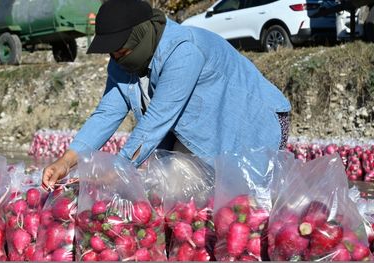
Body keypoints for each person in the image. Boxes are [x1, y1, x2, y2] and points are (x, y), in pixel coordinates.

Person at [42, 0, 291, 189]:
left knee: (247, 206)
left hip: (251, 126)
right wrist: (66, 161)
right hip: (197, 135)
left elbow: (157, 119)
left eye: (121, 49)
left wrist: (119, 168)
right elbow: (107, 113)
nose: (116, 57)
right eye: (112, 52)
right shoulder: (124, 61)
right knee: (175, 196)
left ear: (140, 34)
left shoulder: (183, 50)